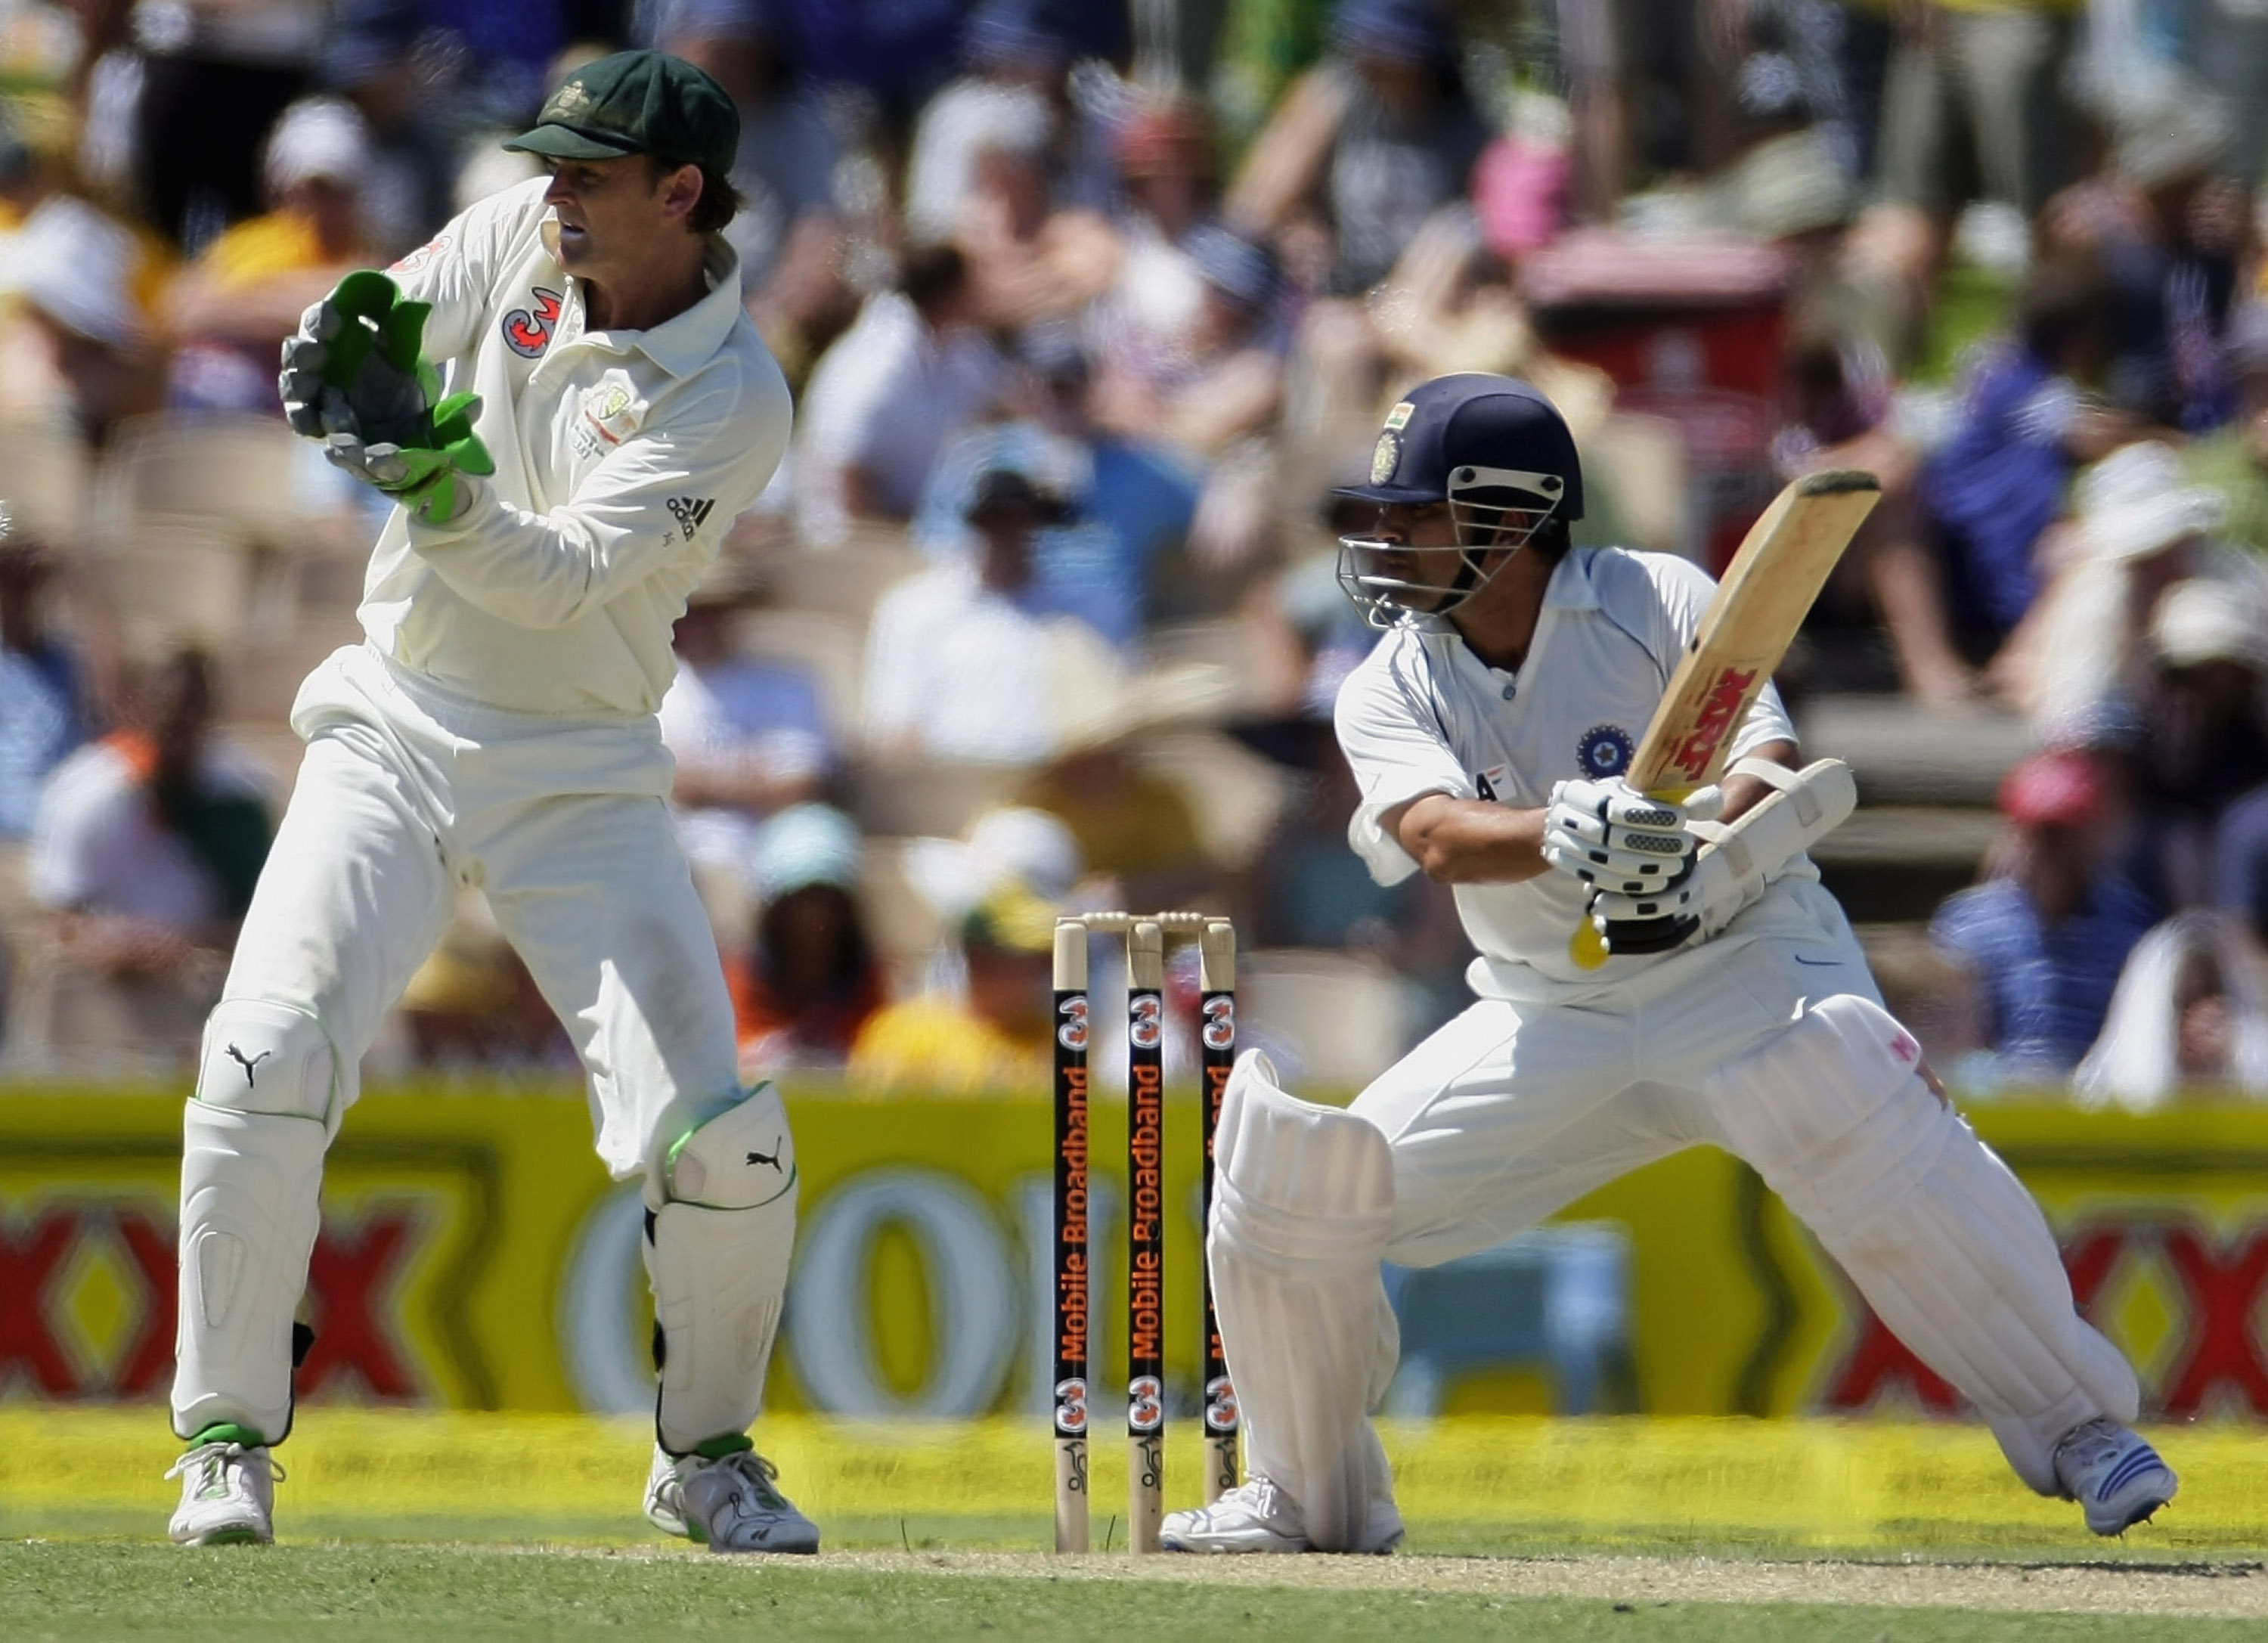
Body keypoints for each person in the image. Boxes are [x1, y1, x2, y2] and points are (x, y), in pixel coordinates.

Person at [1160, 374, 2177, 1557]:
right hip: (1557, 1006)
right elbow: (1432, 833)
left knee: (1834, 1084)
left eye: (1412, 512)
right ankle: (1310, 1497)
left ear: (1508, 516)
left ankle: (2080, 1428)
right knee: (1293, 1184)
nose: (1383, 538)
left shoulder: (1656, 595)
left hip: (1744, 957)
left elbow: (1770, 755)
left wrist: (1694, 845)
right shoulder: (1391, 676)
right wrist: (1565, 828)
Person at [163, 51, 816, 1556]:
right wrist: (348, 337)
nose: (558, 193)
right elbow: (387, 307)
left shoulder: (731, 398)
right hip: (392, 723)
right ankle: (223, 1443)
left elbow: (563, 580)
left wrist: (426, 471)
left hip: (580, 768)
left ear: (683, 195)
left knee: (720, 1142)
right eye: (555, 166)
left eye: (592, 174)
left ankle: (706, 1456)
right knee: (264, 1053)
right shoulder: (524, 227)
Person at [1929, 751, 2161, 1088]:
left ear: (2091, 837)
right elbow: (1948, 1031)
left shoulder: (2133, 928)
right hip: (1994, 1104)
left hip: (2101, 1103)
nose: (2052, 851)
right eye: (2039, 834)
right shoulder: (1967, 926)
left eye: (2064, 835)